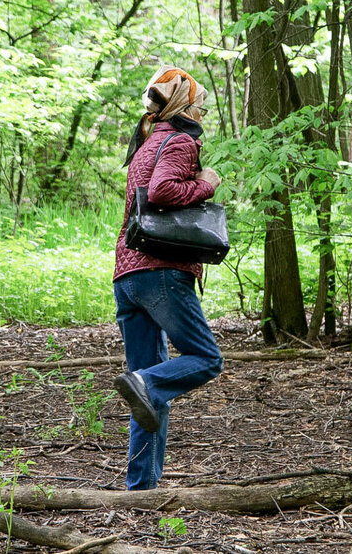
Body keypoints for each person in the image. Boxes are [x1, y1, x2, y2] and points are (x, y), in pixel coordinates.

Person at [112, 66, 224, 490]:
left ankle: (141, 488)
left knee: (147, 392)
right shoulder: (179, 141)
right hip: (159, 272)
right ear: (185, 105)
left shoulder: (146, 143)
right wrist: (207, 183)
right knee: (205, 359)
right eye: (200, 106)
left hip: (128, 274)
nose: (203, 113)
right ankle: (144, 383)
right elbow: (162, 192)